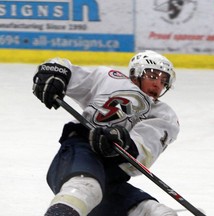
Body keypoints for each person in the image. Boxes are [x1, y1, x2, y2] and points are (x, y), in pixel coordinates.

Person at [32, 50, 180, 216]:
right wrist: (54, 73)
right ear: (135, 73)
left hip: (113, 174)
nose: (157, 85)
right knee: (85, 187)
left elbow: (144, 151)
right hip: (81, 152)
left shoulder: (164, 115)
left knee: (156, 212)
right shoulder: (110, 78)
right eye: (152, 77)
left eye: (163, 81)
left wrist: (124, 143)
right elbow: (64, 69)